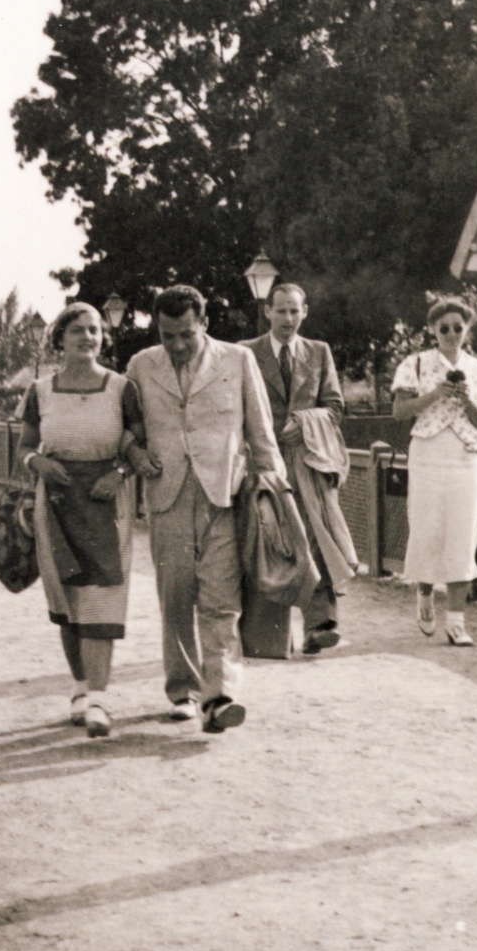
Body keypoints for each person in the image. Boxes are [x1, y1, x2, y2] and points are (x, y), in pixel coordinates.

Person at [125, 285, 283, 733]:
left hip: (224, 495)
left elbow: (261, 431)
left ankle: (220, 695)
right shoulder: (140, 365)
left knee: (220, 600)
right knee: (175, 599)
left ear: (206, 324)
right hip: (166, 495)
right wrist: (135, 454)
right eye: (167, 334)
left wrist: (277, 491)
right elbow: (126, 429)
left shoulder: (238, 361)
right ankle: (182, 690)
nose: (176, 345)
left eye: (186, 335)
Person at [17, 302, 146, 738]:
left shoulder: (120, 387)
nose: (88, 338)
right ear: (60, 338)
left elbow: (137, 445)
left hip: (104, 500)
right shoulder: (40, 390)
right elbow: (24, 447)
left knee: (102, 596)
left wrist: (120, 474)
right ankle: (79, 688)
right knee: (68, 601)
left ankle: (99, 701)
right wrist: (38, 463)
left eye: (94, 331)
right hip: (55, 500)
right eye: (78, 331)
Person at [243, 281, 357, 655]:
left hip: (306, 463)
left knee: (315, 540)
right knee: (271, 543)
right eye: (281, 310)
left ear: (304, 312)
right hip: (262, 464)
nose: (288, 318)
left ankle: (319, 625)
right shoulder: (246, 353)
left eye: (295, 310)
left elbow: (335, 407)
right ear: (267, 312)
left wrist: (305, 421)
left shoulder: (319, 353)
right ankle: (268, 638)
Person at [390, 298, 477, 647]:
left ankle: (456, 620)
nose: (451, 334)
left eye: (458, 327)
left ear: (467, 330)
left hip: (465, 456)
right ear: (433, 330)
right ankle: (424, 595)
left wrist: (466, 399)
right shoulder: (416, 364)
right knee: (427, 530)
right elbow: (399, 412)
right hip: (428, 454)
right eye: (444, 328)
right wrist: (435, 393)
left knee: (463, 535)